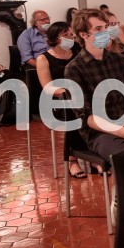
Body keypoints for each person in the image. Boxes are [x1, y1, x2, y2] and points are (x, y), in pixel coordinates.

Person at [64, 9, 124, 162]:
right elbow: (86, 116)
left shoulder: (119, 60)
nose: (105, 32)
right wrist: (122, 131)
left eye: (106, 27)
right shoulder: (74, 69)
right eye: (98, 29)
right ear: (83, 34)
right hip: (99, 132)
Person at [35, 21, 84, 178]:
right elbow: (48, 87)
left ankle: (95, 155)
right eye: (65, 35)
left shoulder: (78, 54)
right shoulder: (44, 59)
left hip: (81, 97)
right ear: (55, 38)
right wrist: (69, 92)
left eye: (71, 35)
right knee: (72, 110)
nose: (70, 38)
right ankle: (72, 160)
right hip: (57, 102)